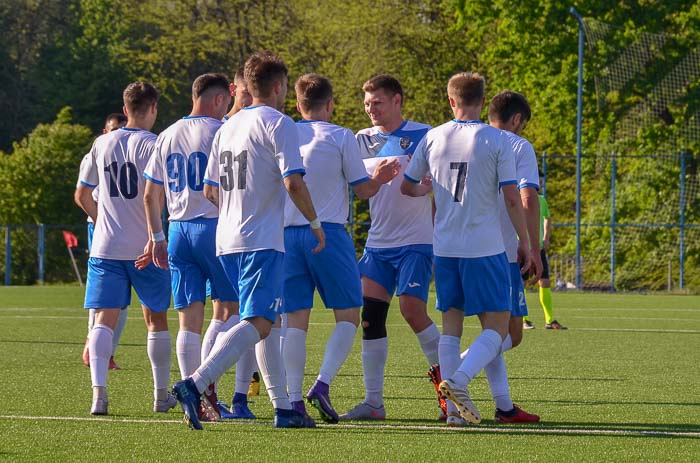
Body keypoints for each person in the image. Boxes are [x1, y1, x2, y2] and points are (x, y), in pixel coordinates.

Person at [171, 51, 324, 430]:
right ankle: (196, 382)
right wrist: (315, 222)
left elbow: (209, 190)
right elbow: (293, 181)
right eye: (285, 86)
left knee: (264, 321)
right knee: (258, 321)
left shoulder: (227, 126)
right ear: (276, 86)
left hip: (227, 237)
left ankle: (283, 408)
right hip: (260, 238)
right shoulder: (279, 123)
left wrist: (238, 206)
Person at [400, 72, 532, 426]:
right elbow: (511, 197)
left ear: (451, 100)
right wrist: (526, 243)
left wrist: (428, 187)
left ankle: (454, 415)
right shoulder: (496, 140)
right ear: (482, 99)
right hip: (484, 247)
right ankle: (457, 381)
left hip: (444, 247)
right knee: (498, 328)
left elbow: (407, 187)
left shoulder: (433, 137)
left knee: (451, 326)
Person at [281, 73, 400, 423]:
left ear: (299, 105)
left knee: (295, 321)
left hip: (287, 234)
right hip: (327, 232)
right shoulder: (340, 135)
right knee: (350, 315)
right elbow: (362, 190)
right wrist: (381, 177)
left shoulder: (285, 133)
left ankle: (291, 400)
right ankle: (322, 383)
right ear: (330, 104)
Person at [141, 73, 256, 421]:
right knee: (231, 311)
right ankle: (215, 391)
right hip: (214, 226)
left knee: (188, 321)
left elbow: (150, 194)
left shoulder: (167, 133)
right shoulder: (221, 131)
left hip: (177, 230)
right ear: (220, 99)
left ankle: (200, 402)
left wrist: (157, 237)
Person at [341, 74, 442, 421]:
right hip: (378, 244)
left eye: (378, 102)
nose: (371, 109)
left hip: (416, 242)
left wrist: (432, 196)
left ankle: (452, 391)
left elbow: (441, 186)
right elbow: (358, 188)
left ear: (397, 100)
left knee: (413, 311)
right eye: (367, 103)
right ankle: (373, 403)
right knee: (370, 320)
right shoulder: (359, 140)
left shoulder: (425, 135)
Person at [75, 82, 175, 416]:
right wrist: (156, 234)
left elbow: (82, 194)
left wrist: (103, 219)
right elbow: (159, 196)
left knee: (103, 319)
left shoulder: (101, 142)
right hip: (146, 246)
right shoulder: (156, 144)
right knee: (156, 318)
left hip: (106, 246)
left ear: (125, 104)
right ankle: (161, 396)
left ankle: (99, 395)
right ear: (153, 107)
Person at [79, 113, 128, 371]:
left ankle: (105, 351)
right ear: (104, 130)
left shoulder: (131, 150)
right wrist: (101, 222)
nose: (118, 133)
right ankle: (94, 348)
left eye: (122, 127)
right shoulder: (96, 154)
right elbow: (83, 194)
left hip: (126, 230)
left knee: (122, 300)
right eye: (113, 129)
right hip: (100, 227)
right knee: (103, 296)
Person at [523, 188, 567, 330]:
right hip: (522, 250)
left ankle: (549, 320)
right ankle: (523, 319)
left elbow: (547, 218)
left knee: (545, 282)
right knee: (521, 284)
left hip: (538, 249)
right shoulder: (519, 198)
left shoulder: (541, 199)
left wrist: (546, 237)